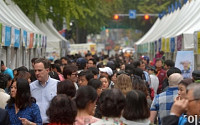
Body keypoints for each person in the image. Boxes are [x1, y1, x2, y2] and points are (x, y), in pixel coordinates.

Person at [30, 58, 59, 124]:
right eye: (35, 71)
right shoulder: (31, 87)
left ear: (47, 70)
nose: (37, 73)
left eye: (39, 70)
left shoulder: (57, 85)